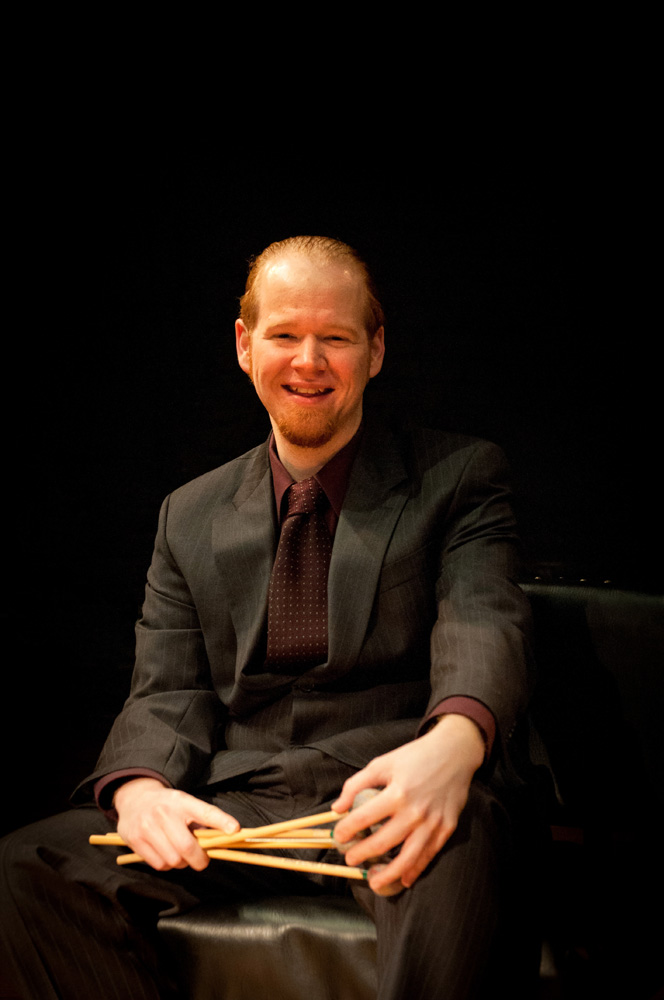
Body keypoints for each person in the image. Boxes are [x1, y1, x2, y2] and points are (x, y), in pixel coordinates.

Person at [0, 236, 540, 999]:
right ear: (245, 346)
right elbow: (165, 690)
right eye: (285, 335)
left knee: (453, 836)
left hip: (392, 782)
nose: (308, 361)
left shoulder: (458, 477)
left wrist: (451, 748)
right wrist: (139, 790)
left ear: (376, 349)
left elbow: (482, 620)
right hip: (244, 803)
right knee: (29, 867)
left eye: (336, 338)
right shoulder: (188, 514)